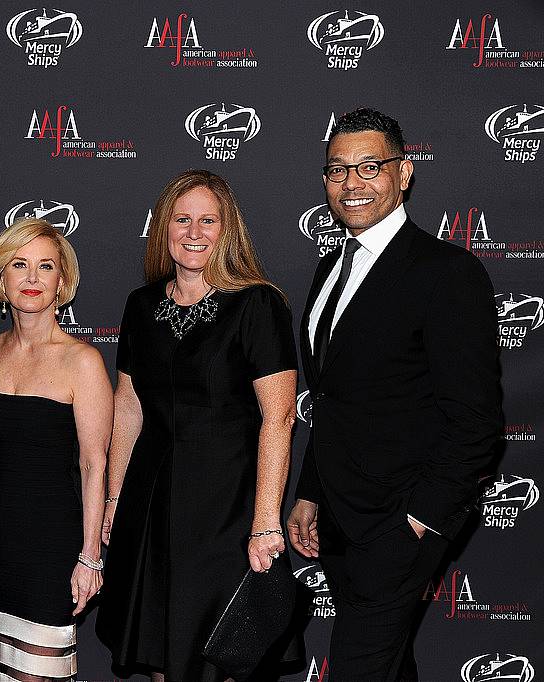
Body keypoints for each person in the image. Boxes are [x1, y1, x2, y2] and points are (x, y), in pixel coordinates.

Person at [286, 108, 502, 681]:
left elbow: (477, 423)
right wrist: (309, 491)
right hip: (338, 515)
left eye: (369, 167)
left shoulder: (447, 273)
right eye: (337, 170)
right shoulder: (330, 267)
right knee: (386, 667)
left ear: (403, 174)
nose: (351, 183)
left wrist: (417, 521)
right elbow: (332, 399)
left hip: (398, 523)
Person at [96, 170, 298, 681]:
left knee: (219, 655)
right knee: (162, 652)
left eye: (208, 220)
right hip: (153, 503)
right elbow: (128, 406)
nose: (194, 232)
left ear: (227, 229)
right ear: (163, 228)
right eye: (182, 219)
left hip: (226, 508)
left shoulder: (257, 304)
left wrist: (266, 520)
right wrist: (116, 499)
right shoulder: (141, 307)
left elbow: (278, 416)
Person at [0, 219, 111, 681]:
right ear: (2, 278)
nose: (33, 278)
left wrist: (89, 555)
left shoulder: (83, 361)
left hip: (50, 548)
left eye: (46, 267)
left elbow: (95, 465)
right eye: (20, 265)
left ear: (63, 281)